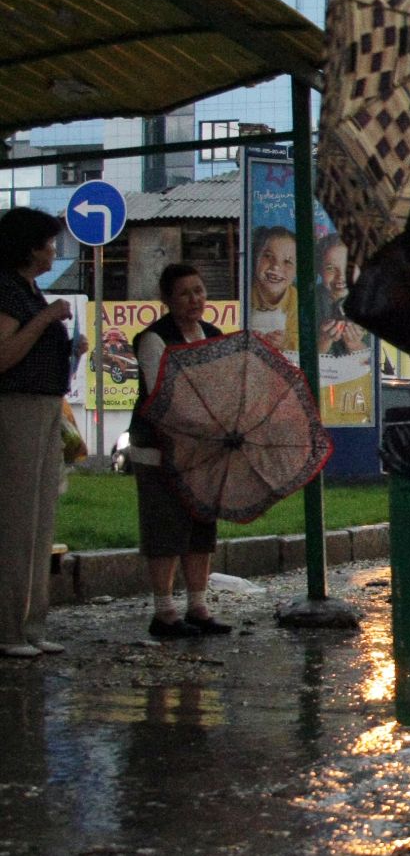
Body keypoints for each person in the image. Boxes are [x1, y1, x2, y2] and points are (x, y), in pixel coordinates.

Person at [0, 208, 87, 659]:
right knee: (15, 519)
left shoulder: (30, 290)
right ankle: (8, 626)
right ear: (30, 247)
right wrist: (46, 319)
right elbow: (4, 354)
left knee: (39, 517)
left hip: (43, 404)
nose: (55, 251)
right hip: (16, 407)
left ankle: (31, 622)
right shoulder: (9, 292)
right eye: (50, 244)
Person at [130, 263, 230, 640]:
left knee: (200, 528)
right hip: (159, 450)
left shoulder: (213, 336)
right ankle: (164, 611)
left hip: (204, 452)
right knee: (164, 528)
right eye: (185, 293)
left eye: (200, 291)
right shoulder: (154, 339)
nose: (195, 300)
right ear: (167, 299)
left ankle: (198, 606)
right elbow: (161, 396)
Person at [315, 233, 367, 357]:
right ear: (319, 270)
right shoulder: (308, 301)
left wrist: (355, 345)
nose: (341, 276)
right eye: (330, 268)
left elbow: (377, 362)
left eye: (348, 268)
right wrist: (323, 342)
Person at [247, 225, 297, 351]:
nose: (276, 267)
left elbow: (304, 342)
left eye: (287, 262)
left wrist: (286, 343)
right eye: (268, 256)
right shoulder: (244, 294)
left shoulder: (297, 302)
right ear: (256, 257)